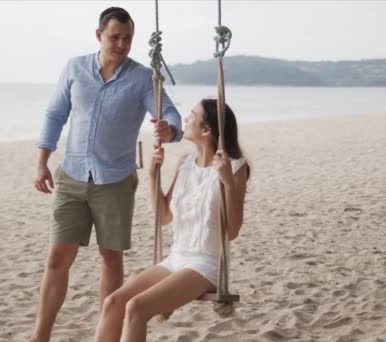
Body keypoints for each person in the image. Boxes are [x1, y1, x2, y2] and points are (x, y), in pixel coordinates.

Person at [30, 6, 183, 342]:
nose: (122, 44)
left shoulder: (143, 77)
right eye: (115, 37)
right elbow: (55, 114)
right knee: (58, 256)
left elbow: (171, 114)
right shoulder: (74, 68)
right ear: (99, 35)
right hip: (71, 175)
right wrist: (42, 160)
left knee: (110, 257)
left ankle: (107, 335)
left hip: (115, 180)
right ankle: (40, 336)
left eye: (128, 38)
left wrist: (168, 130)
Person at [94, 99, 250, 342]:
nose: (185, 120)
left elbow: (232, 231)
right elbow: (164, 216)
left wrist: (227, 182)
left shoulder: (235, 168)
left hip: (206, 265)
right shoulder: (185, 163)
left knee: (136, 307)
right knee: (113, 302)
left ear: (206, 130)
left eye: (191, 115)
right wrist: (153, 174)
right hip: (177, 258)